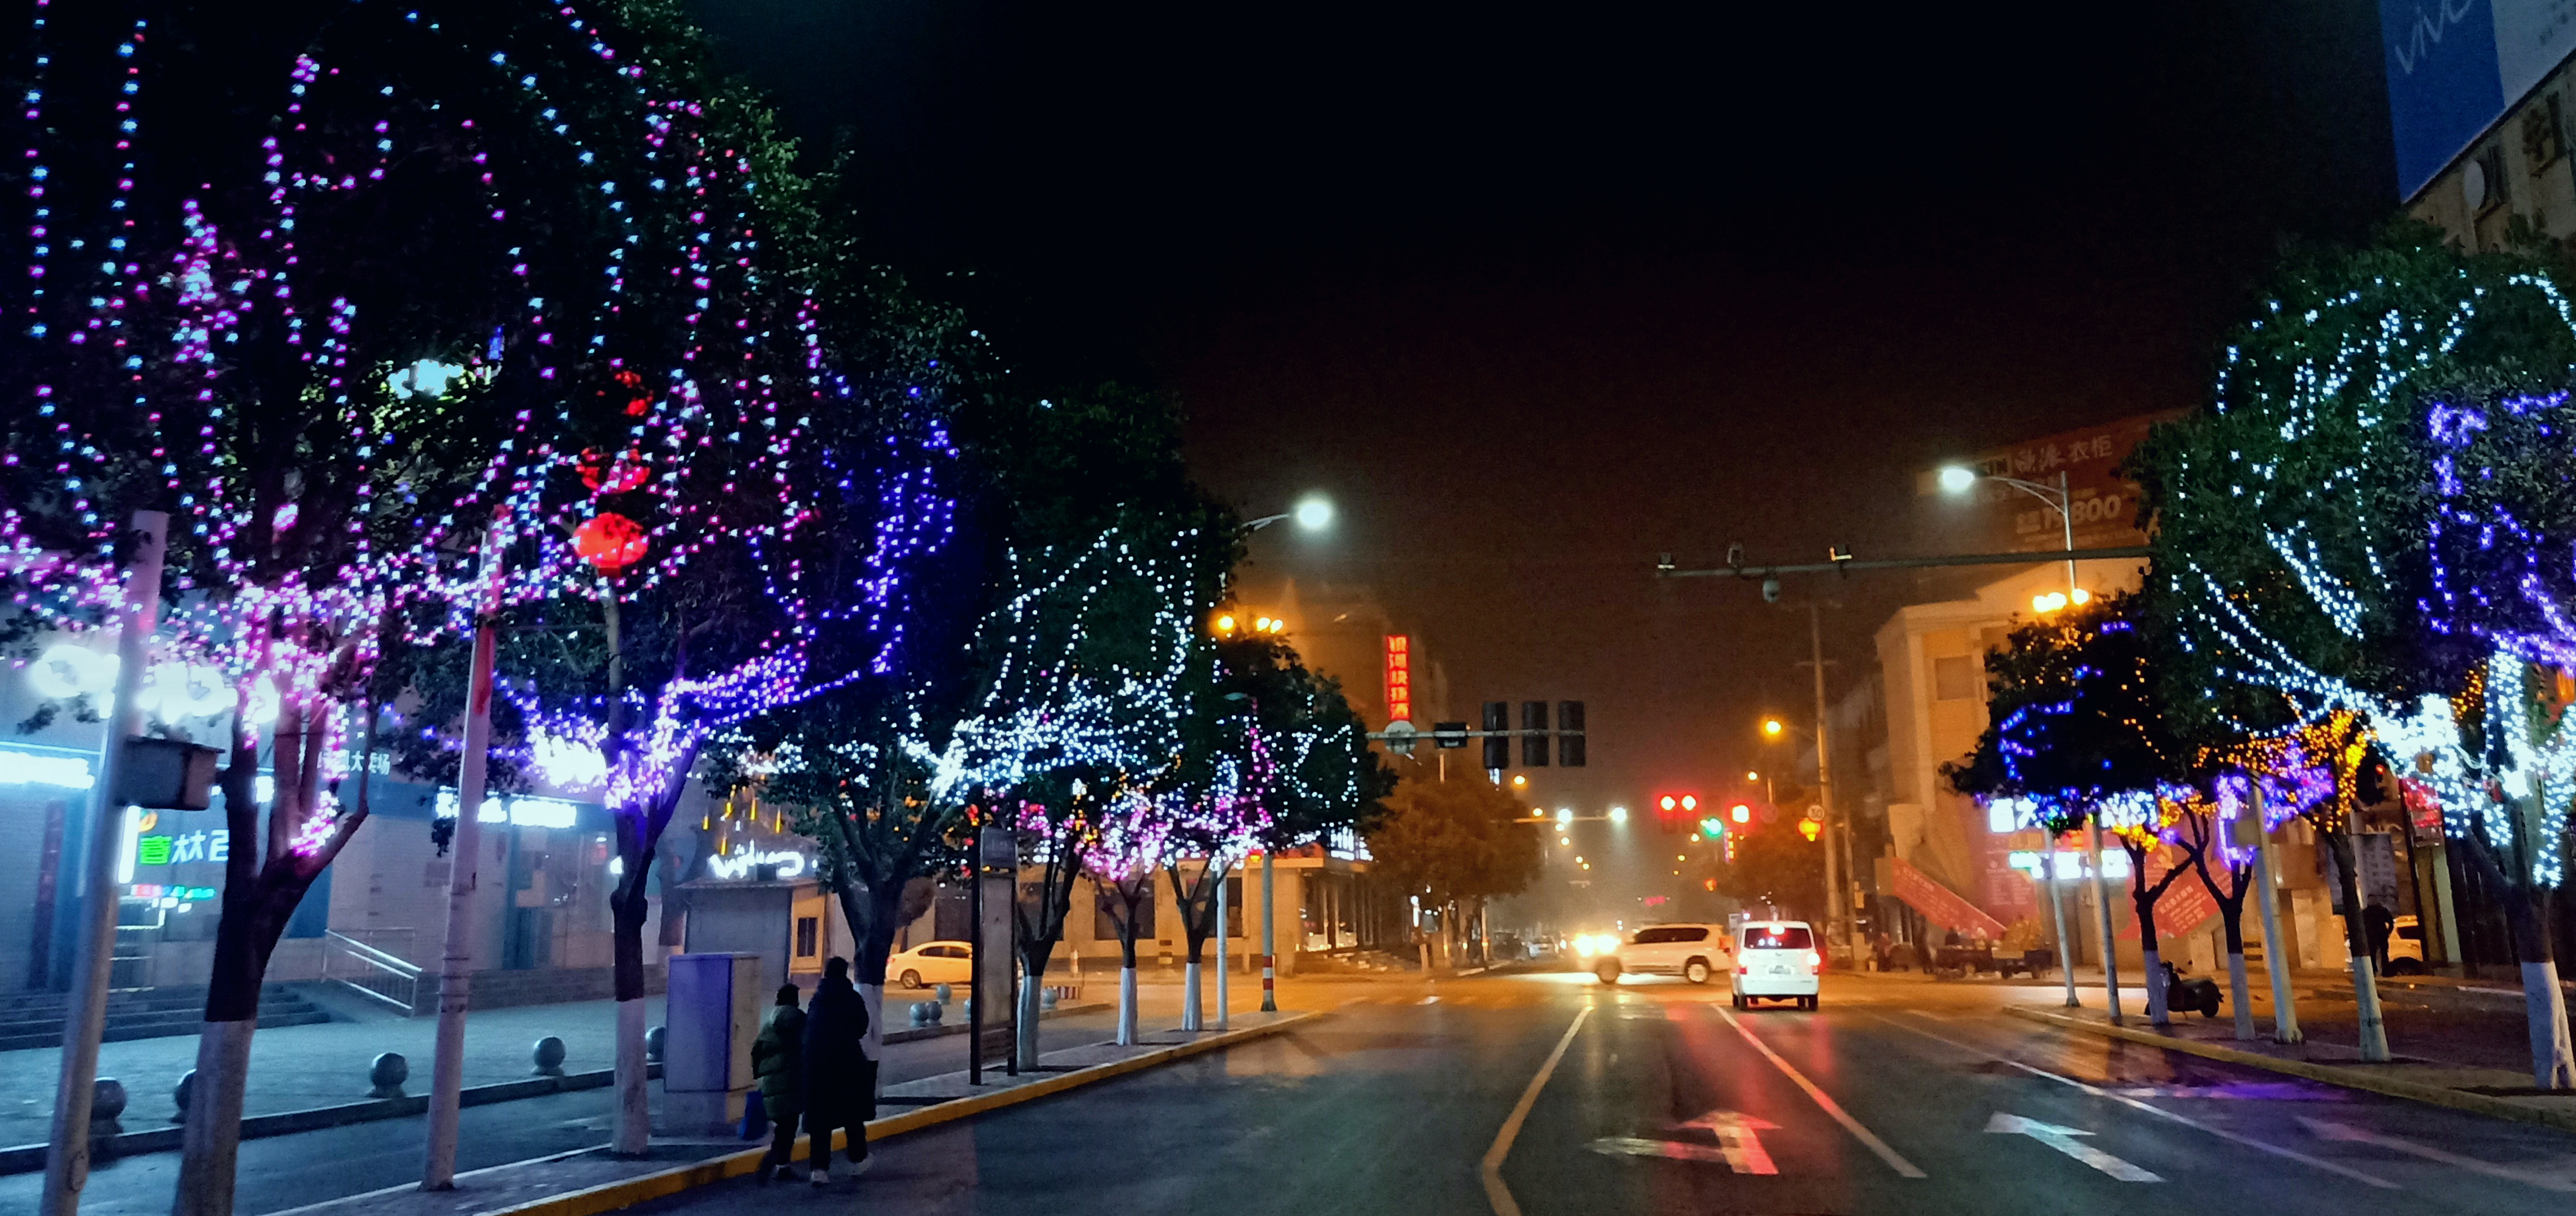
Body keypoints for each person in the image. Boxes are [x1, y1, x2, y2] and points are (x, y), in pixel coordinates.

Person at [802, 956, 873, 1184]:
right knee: (852, 1115)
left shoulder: (817, 999)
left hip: (817, 1067)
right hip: (846, 1064)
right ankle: (858, 1161)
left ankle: (819, 1170)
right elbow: (862, 1026)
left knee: (820, 1121)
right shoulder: (851, 998)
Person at [751, 984, 805, 1184]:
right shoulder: (800, 1021)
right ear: (795, 1000)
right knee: (787, 1129)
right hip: (791, 1082)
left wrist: (762, 1074)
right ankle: (770, 1164)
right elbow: (806, 1047)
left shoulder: (769, 1024)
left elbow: (757, 1052)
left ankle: (783, 1168)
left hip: (771, 1083)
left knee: (784, 1127)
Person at [2364, 903, 2396, 972]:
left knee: (2374, 953)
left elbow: (2363, 924)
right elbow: (2391, 922)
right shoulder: (2382, 910)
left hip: (2373, 936)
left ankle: (2375, 970)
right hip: (2380, 935)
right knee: (2383, 953)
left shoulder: (2367, 912)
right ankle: (2385, 970)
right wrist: (2388, 932)